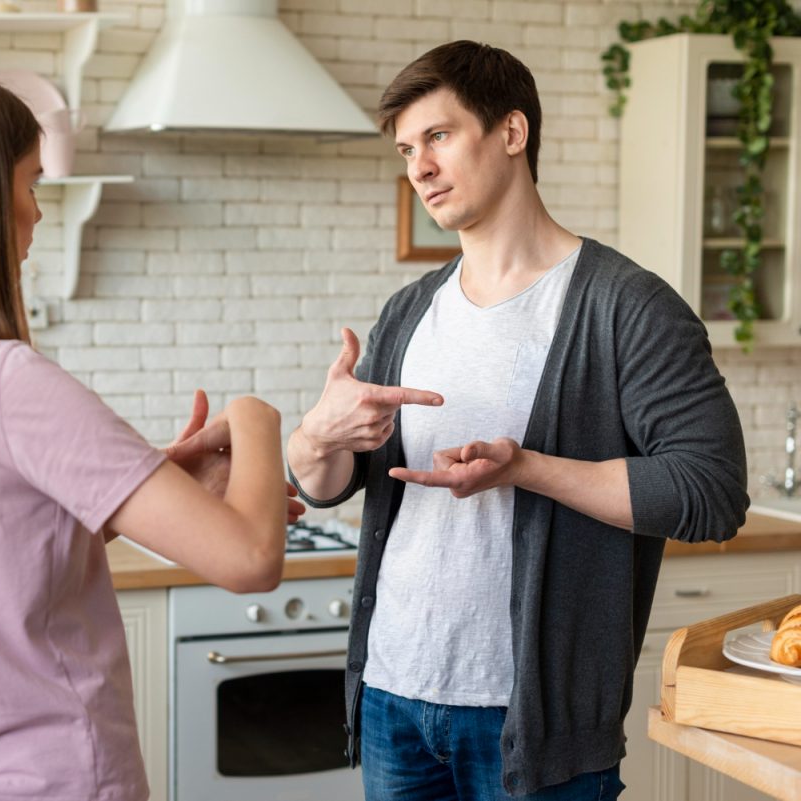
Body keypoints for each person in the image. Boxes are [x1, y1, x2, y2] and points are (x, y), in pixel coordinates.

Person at [0, 66, 298, 801]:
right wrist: (259, 417)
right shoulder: (6, 380)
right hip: (40, 781)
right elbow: (252, 557)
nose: (36, 213)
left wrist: (136, 482)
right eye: (30, 183)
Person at [286, 40, 748, 799]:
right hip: (393, 697)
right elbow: (328, 481)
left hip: (529, 722)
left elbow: (711, 492)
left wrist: (529, 468)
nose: (419, 167)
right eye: (407, 149)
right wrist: (314, 435)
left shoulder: (625, 308)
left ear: (511, 131)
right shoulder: (409, 312)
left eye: (438, 136)